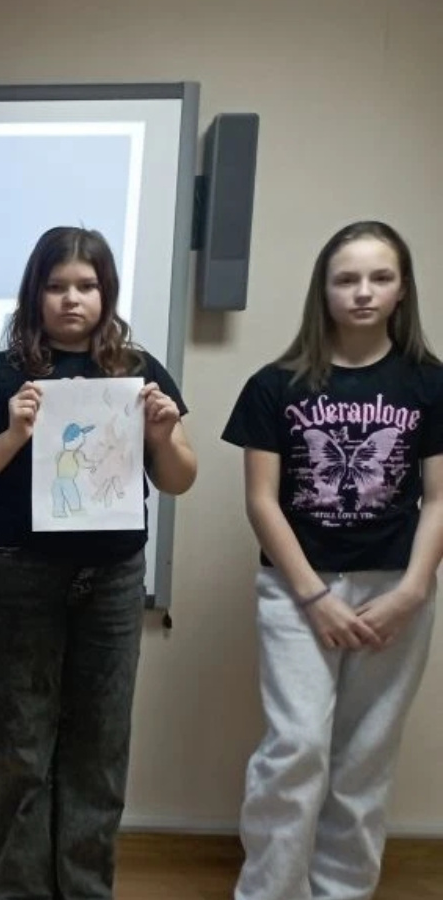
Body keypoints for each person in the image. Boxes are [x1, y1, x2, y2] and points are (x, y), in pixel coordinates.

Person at [0, 226, 196, 900]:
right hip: (19, 570)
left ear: (107, 293)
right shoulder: (0, 373)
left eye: (87, 286)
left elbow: (179, 478)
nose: (71, 299)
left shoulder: (138, 371)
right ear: (35, 294)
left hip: (112, 575)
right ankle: (16, 890)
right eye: (56, 286)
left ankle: (85, 888)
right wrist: (14, 433)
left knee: (100, 744)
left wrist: (164, 434)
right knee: (19, 745)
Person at [222, 220, 442, 900]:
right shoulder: (274, 385)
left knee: (365, 757)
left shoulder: (430, 383)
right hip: (296, 591)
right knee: (295, 749)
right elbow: (262, 503)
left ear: (402, 289)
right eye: (347, 279)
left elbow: (439, 498)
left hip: (395, 591)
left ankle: (342, 892)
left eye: (380, 277)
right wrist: (314, 597)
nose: (363, 292)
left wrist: (412, 591)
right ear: (323, 290)